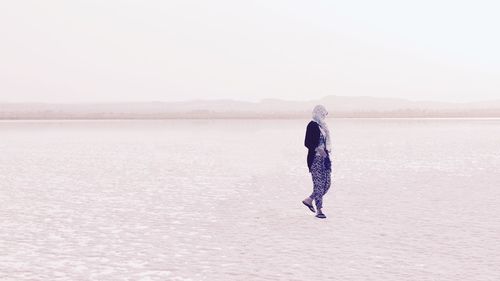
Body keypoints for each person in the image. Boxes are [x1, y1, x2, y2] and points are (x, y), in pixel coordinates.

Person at [302, 105, 332, 219]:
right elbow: (307, 142)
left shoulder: (323, 126)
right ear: (318, 113)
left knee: (327, 184)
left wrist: (326, 151)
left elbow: (326, 142)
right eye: (323, 113)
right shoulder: (312, 125)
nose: (324, 116)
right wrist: (317, 149)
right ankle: (319, 210)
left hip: (325, 159)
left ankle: (309, 199)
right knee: (318, 185)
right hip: (315, 159)